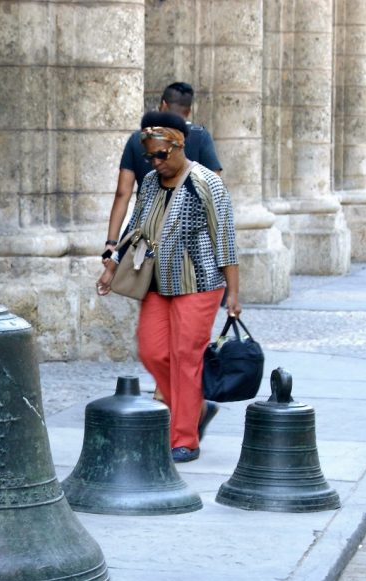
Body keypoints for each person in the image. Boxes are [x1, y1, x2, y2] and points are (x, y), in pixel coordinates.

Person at [96, 111, 240, 464]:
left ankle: (184, 438)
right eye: (149, 156)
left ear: (179, 145)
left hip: (200, 282)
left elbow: (226, 239)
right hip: (158, 282)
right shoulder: (149, 183)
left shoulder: (206, 182)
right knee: (152, 351)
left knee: (185, 357)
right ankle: (195, 407)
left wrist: (233, 293)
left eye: (161, 154)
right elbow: (137, 225)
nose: (155, 162)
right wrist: (112, 263)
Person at [104, 82, 223, 406]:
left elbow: (123, 195)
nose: (156, 161)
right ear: (189, 111)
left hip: (154, 256)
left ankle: (177, 403)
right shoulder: (200, 137)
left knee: (167, 344)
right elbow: (217, 195)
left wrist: (111, 248)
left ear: (162, 104)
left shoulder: (136, 140)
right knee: (172, 342)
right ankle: (180, 400)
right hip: (190, 259)